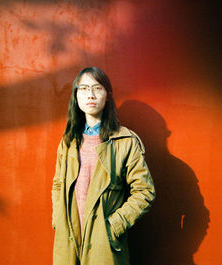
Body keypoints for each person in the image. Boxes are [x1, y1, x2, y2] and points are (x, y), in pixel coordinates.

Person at [51, 66, 155, 265]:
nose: (90, 94)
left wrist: (114, 226)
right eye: (83, 88)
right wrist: (58, 220)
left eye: (97, 88)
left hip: (104, 246)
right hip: (68, 242)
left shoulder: (125, 141)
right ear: (76, 96)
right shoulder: (68, 141)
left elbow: (145, 191)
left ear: (107, 95)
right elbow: (58, 185)